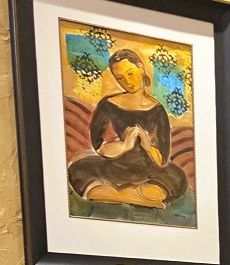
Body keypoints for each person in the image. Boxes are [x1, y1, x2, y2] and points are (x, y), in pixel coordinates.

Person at [66, 47, 189, 209]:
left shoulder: (157, 110)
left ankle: (117, 195)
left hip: (148, 170)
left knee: (177, 177)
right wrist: (125, 145)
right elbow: (100, 148)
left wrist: (146, 143)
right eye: (120, 78)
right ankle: (133, 197)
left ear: (140, 68)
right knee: (77, 170)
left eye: (130, 73)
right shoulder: (108, 105)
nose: (127, 82)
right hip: (113, 166)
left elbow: (161, 160)